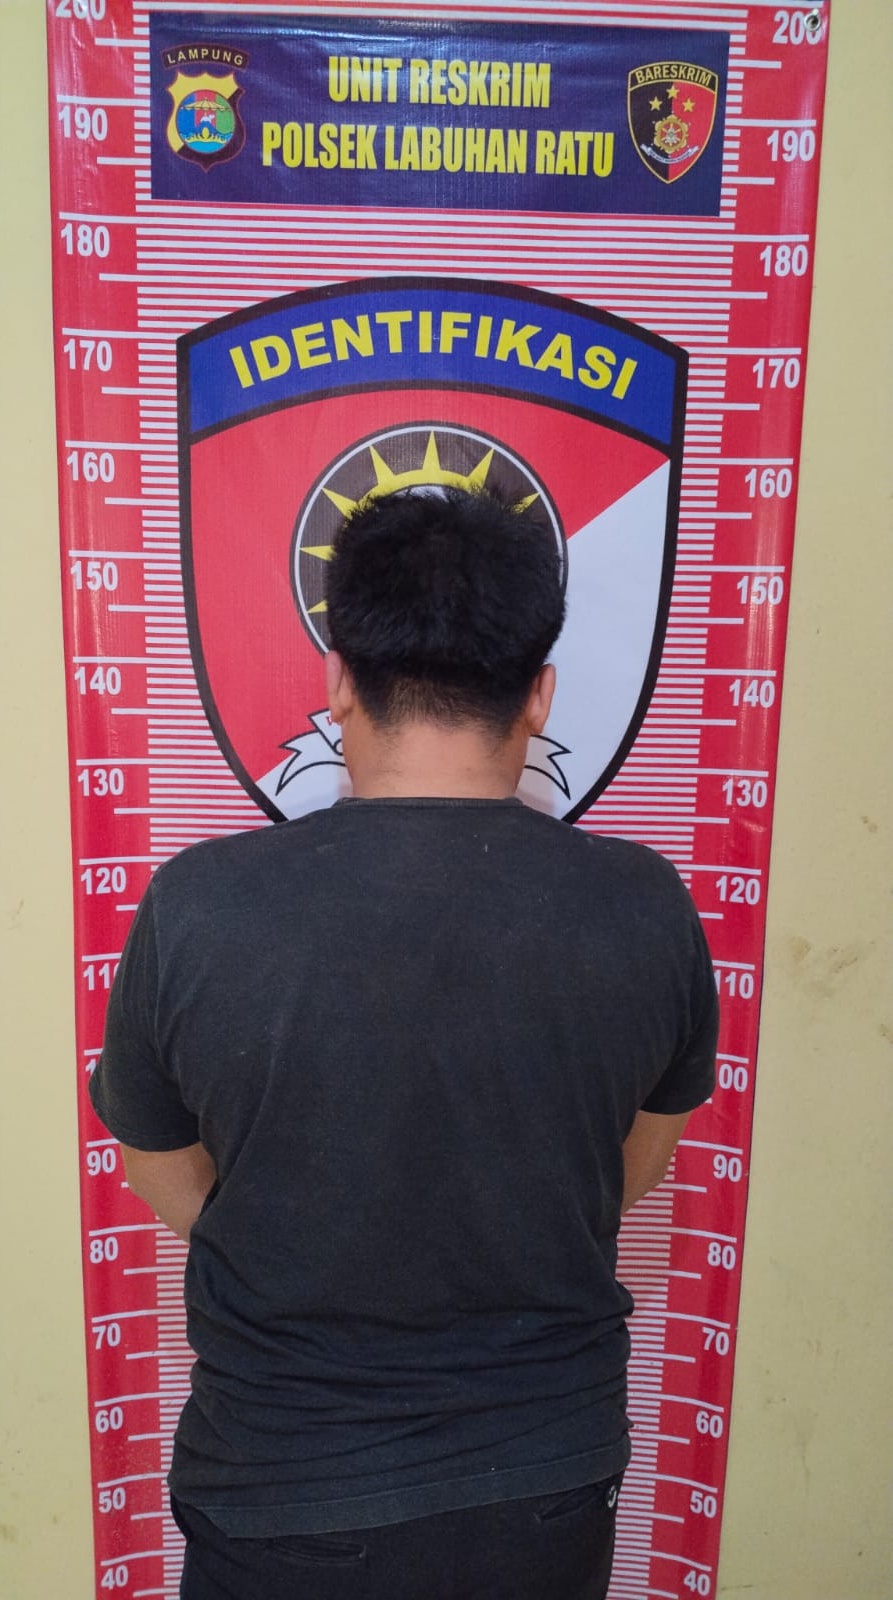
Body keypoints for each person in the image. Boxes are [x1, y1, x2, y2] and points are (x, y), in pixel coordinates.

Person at [89, 486, 719, 1600]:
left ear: (339, 679)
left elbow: (154, 1162)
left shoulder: (198, 906)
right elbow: (631, 1165)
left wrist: (298, 1233)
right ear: (540, 693)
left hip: (280, 1489)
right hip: (544, 1489)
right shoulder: (645, 905)